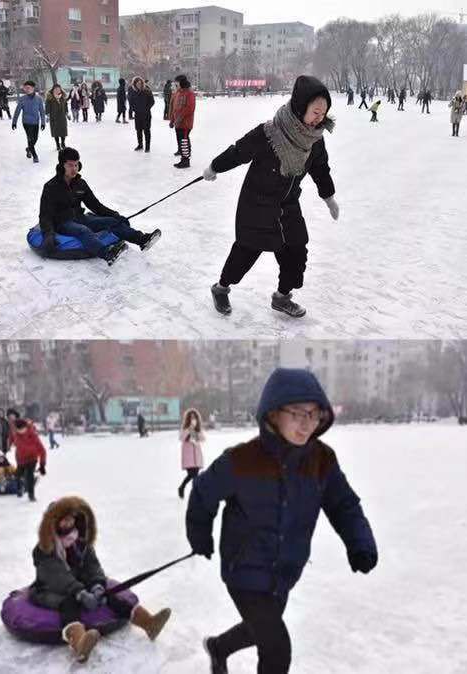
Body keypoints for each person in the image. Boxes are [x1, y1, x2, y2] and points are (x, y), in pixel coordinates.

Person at [187, 368, 378, 674]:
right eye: (298, 413)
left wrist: (360, 542)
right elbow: (202, 495)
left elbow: (344, 505)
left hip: (285, 572)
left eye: (315, 415)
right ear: (274, 413)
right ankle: (220, 648)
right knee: (277, 648)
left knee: (258, 630)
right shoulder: (241, 460)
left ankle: (218, 647)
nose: (307, 424)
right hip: (244, 570)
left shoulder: (322, 461)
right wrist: (200, 535)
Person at [204, 75, 338, 319]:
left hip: (288, 204)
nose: (320, 119)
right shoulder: (269, 133)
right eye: (315, 112)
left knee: (296, 250)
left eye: (324, 113)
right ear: (300, 107)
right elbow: (238, 152)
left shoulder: (314, 141)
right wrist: (214, 167)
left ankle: (282, 297)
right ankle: (221, 288)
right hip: (257, 203)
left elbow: (321, 169)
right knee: (247, 250)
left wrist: (329, 197)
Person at [30, 496, 171, 664]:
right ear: (53, 523)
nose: (68, 523)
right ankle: (79, 642)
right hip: (51, 589)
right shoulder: (44, 550)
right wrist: (80, 593)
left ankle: (148, 623)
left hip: (78, 583)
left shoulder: (80, 543)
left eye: (70, 518)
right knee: (69, 604)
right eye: (64, 519)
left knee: (110, 595)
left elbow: (92, 567)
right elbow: (57, 576)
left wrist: (97, 586)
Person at [37, 146, 161, 264]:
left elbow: (95, 205)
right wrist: (48, 234)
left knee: (112, 221)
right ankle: (107, 254)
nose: (74, 169)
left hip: (80, 218)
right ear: (62, 165)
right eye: (70, 165)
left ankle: (142, 240)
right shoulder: (51, 187)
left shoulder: (81, 184)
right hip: (62, 223)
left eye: (76, 165)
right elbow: (45, 215)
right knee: (83, 231)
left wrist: (115, 215)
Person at [11, 80, 46, 163]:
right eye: (25, 88)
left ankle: (29, 148)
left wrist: (43, 122)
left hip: (36, 122)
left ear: (33, 88)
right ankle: (35, 155)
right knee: (30, 139)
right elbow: (17, 111)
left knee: (35, 139)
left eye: (28, 88)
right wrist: (14, 122)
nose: (27, 90)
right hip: (26, 122)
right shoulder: (22, 99)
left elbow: (42, 111)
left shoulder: (39, 99)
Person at [12, 418, 46, 502]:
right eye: (18, 429)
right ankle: (21, 488)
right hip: (21, 460)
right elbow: (17, 448)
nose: (20, 431)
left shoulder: (33, 435)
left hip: (32, 459)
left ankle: (31, 495)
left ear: (26, 427)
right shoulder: (16, 435)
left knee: (29, 476)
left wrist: (42, 465)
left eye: (22, 429)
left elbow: (42, 450)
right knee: (17, 475)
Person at [177, 408, 205, 499]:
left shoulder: (198, 428)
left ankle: (184, 488)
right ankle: (186, 489)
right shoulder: (185, 428)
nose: (193, 419)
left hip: (196, 456)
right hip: (188, 455)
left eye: (194, 417)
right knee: (192, 475)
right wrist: (189, 429)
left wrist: (195, 432)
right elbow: (181, 437)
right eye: (191, 417)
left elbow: (202, 439)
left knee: (194, 475)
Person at [170, 74, 195, 168]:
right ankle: (184, 155)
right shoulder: (178, 93)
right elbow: (175, 109)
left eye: (177, 82)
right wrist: (172, 120)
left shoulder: (189, 93)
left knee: (184, 141)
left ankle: (185, 161)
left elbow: (190, 108)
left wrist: (180, 118)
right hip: (178, 123)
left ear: (182, 82)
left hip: (185, 123)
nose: (176, 84)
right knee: (181, 141)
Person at [129, 76, 155, 153]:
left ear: (142, 83)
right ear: (134, 84)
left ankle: (147, 147)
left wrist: (147, 108)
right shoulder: (133, 92)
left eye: (140, 83)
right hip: (137, 114)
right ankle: (140, 145)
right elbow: (131, 102)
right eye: (137, 84)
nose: (139, 85)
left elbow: (152, 101)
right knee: (138, 130)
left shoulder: (147, 91)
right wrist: (134, 109)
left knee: (146, 130)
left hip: (146, 114)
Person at [45, 84, 69, 151]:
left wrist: (67, 113)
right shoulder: (50, 98)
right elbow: (47, 107)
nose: (57, 90)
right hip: (54, 117)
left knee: (63, 131)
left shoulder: (63, 97)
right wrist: (47, 115)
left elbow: (66, 106)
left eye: (58, 89)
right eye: (55, 89)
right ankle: (57, 144)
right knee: (55, 132)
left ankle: (63, 143)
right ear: (53, 90)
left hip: (62, 117)